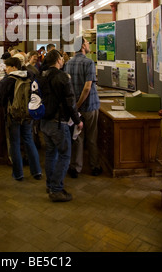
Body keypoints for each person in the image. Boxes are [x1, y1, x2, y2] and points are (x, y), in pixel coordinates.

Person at [40, 49, 83, 202]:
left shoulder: (42, 76)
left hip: (44, 121)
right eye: (61, 59)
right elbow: (70, 102)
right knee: (65, 155)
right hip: (59, 123)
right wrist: (77, 120)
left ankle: (50, 185)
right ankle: (56, 189)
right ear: (58, 60)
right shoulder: (63, 77)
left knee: (51, 154)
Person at [0, 57, 42, 181]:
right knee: (29, 140)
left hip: (13, 115)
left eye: (7, 67)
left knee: (14, 143)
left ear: (14, 67)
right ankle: (36, 172)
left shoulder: (10, 80)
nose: (6, 69)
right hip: (28, 114)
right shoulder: (30, 76)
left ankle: (18, 174)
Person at [65, 36, 102, 177]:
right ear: (82, 46)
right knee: (92, 138)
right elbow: (87, 88)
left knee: (78, 138)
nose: (88, 45)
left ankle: (75, 168)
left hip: (76, 109)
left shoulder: (68, 64)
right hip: (89, 106)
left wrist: (75, 107)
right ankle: (94, 167)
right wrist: (79, 104)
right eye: (87, 43)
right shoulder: (89, 63)